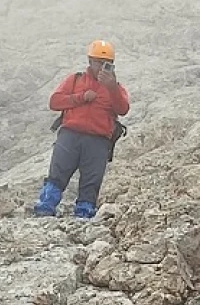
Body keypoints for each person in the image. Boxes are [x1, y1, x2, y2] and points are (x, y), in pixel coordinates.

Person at [32, 40, 131, 219]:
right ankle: (45, 207)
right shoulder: (75, 79)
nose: (101, 67)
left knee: (91, 181)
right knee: (57, 173)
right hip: (70, 134)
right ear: (89, 61)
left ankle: (84, 215)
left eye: (106, 64)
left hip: (98, 140)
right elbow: (54, 101)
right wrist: (81, 97)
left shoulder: (115, 87)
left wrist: (112, 88)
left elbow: (122, 109)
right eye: (98, 62)